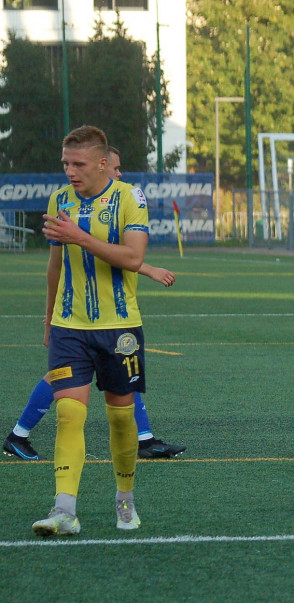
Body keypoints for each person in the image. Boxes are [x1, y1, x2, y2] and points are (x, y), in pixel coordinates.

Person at [3, 146, 185, 462]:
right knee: (66, 385)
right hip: (79, 320)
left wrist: (146, 267)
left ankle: (142, 439)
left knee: (123, 377)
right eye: (115, 168)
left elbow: (116, 254)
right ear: (102, 167)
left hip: (111, 319)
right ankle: (22, 439)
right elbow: (82, 257)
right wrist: (49, 317)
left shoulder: (122, 200)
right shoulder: (73, 203)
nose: (118, 174)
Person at [31, 126, 150, 537]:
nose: (70, 171)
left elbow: (134, 258)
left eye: (78, 164)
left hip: (119, 328)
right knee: (68, 414)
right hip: (69, 327)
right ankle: (65, 509)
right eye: (66, 163)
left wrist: (79, 236)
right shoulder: (59, 199)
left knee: (121, 419)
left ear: (103, 163)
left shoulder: (129, 198)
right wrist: (48, 316)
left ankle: (125, 499)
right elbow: (55, 265)